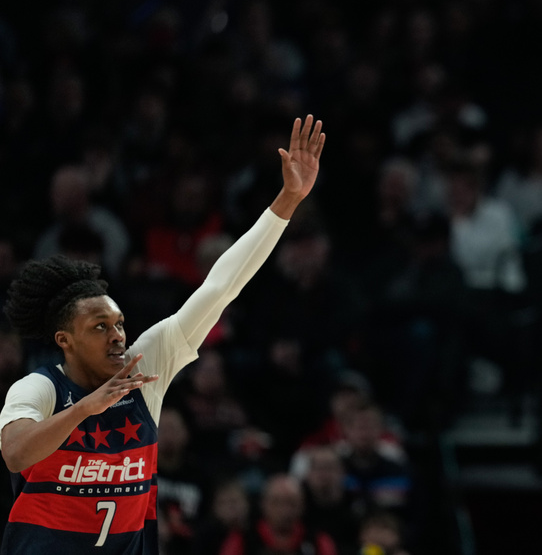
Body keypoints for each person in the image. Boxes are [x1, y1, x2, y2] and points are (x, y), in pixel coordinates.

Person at [0, 115, 326, 554]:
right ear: (65, 340)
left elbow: (221, 286)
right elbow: (16, 453)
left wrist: (287, 200)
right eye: (100, 327)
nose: (118, 335)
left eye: (118, 323)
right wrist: (86, 408)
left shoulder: (144, 365)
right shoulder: (39, 387)